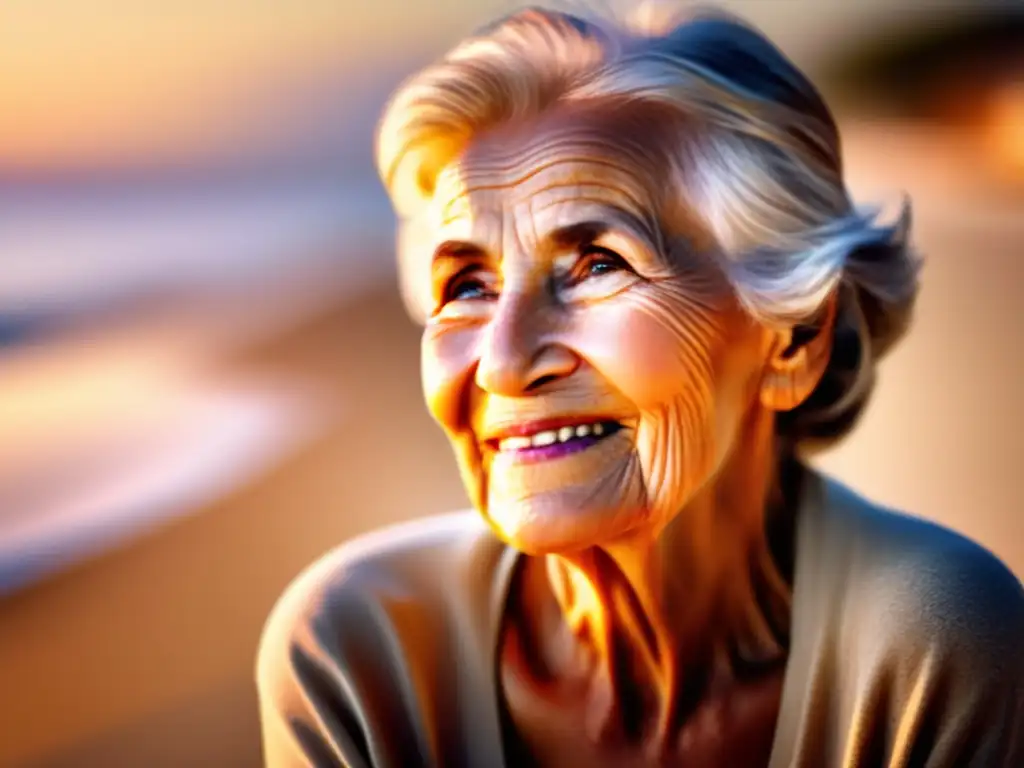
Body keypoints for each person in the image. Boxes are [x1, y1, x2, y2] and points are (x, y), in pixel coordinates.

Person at [255, 6, 1024, 766]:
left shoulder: (938, 645)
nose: (502, 363)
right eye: (468, 284)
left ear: (793, 339)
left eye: (598, 265)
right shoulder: (360, 655)